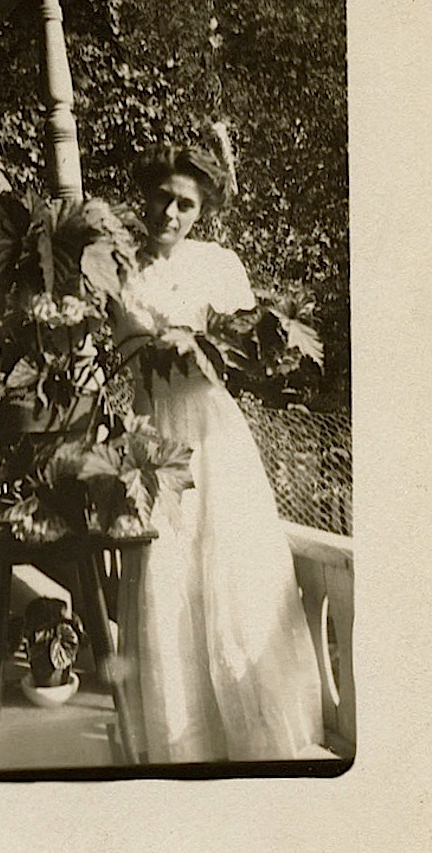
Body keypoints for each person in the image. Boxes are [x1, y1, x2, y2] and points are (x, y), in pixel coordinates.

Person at [114, 142, 324, 763]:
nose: (170, 213)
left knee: (232, 568)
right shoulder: (118, 269)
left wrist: (210, 344)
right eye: (162, 198)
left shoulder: (220, 265)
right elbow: (123, 352)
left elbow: (244, 355)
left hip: (212, 429)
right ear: (144, 197)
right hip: (155, 433)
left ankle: (253, 733)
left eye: (185, 204)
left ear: (200, 210)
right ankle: (184, 740)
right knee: (167, 574)